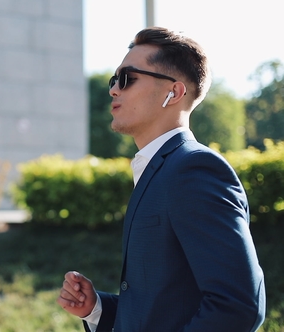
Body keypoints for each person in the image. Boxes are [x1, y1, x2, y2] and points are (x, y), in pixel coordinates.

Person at [57, 27, 266, 332]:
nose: (114, 89)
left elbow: (238, 305)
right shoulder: (158, 170)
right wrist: (97, 309)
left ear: (175, 92)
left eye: (127, 78)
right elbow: (165, 309)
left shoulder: (195, 170)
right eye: (114, 80)